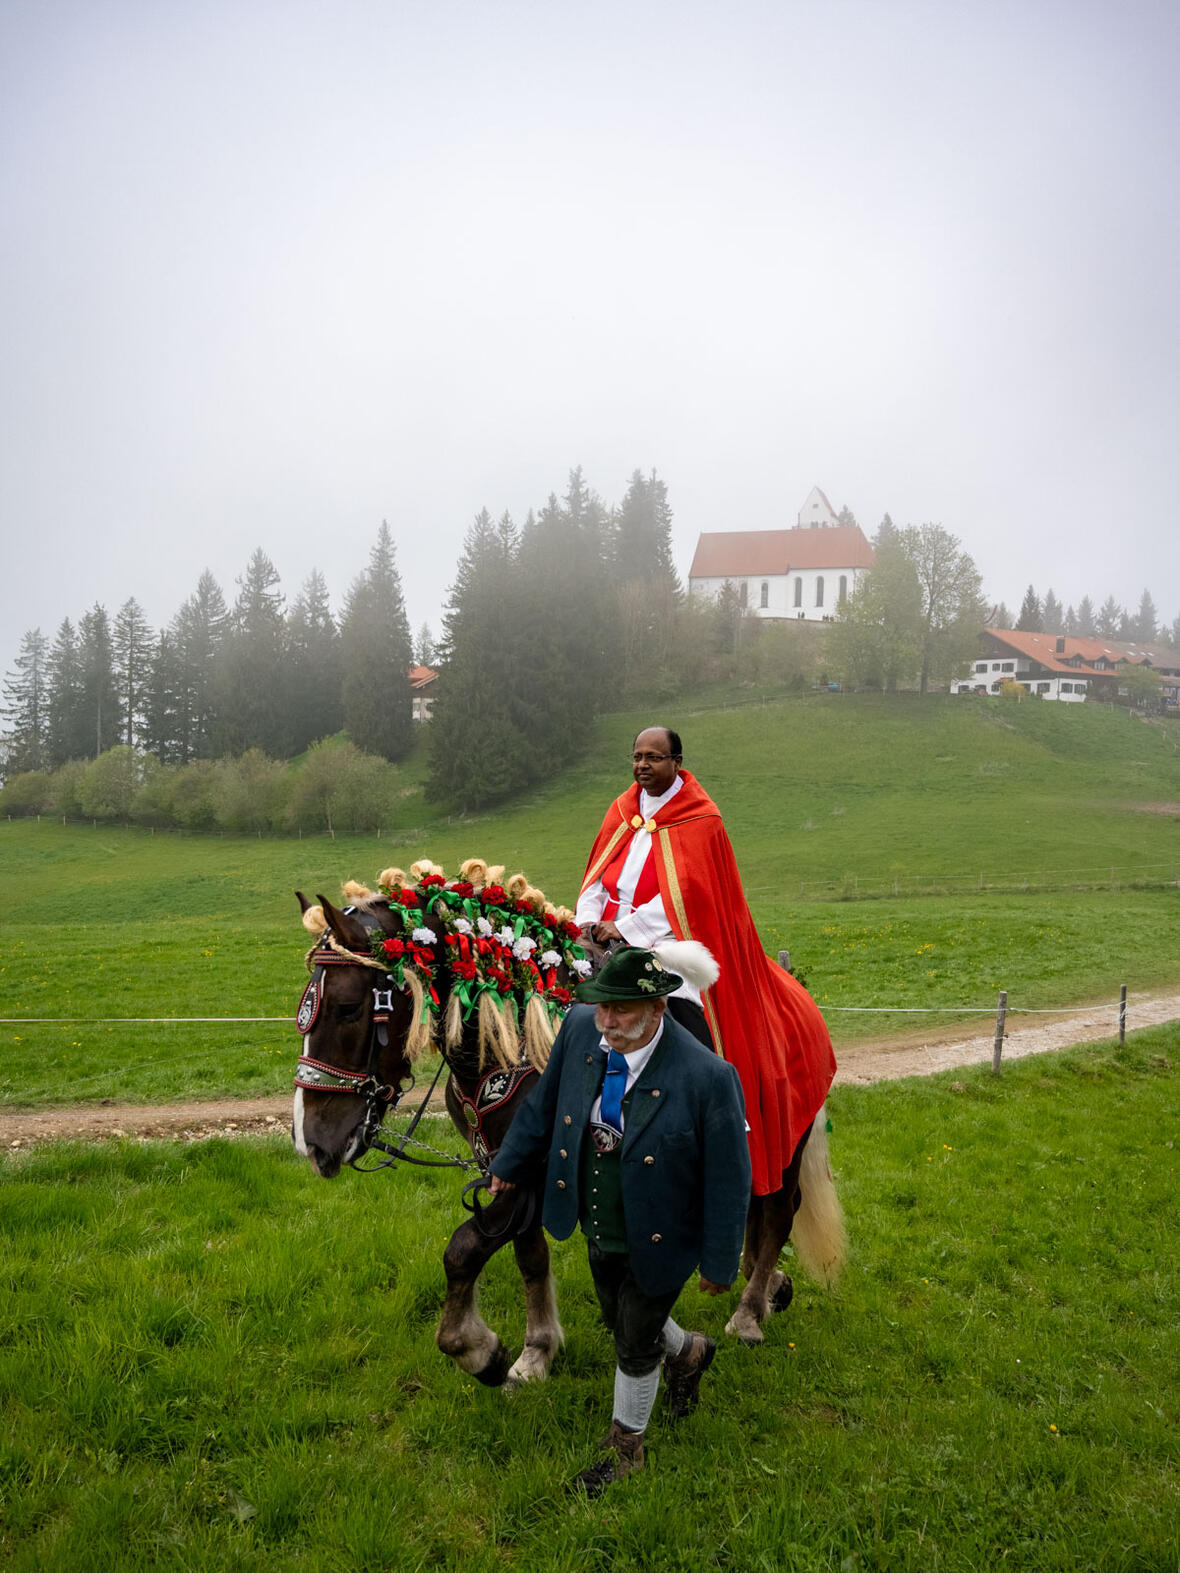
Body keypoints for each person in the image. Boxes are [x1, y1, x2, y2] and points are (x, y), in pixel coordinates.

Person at [489, 946, 751, 1495]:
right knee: (619, 1316)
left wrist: (721, 1260)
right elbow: (543, 1108)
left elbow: (730, 1177)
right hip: (597, 1218)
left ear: (657, 1007)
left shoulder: (707, 1077)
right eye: (600, 1007)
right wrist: (508, 1163)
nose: (605, 1022)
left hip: (664, 1232)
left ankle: (625, 1448)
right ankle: (690, 1353)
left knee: (633, 1341)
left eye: (621, 1011)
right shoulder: (582, 1030)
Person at [575, 726, 836, 1198]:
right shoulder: (621, 810)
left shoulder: (701, 818)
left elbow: (695, 895)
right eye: (636, 757)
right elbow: (596, 875)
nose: (642, 766)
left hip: (672, 941)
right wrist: (589, 921)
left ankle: (718, 1115)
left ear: (677, 761)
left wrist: (629, 928)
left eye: (653, 757)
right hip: (603, 941)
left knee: (686, 1010)